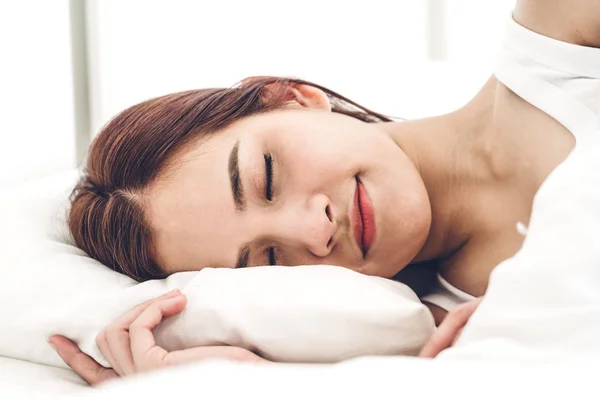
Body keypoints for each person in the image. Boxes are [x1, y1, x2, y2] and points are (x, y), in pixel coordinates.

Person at [50, 0, 600, 386]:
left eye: (266, 176)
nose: (313, 232)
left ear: (292, 97)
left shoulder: (562, 37)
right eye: (268, 261)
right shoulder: (456, 347)